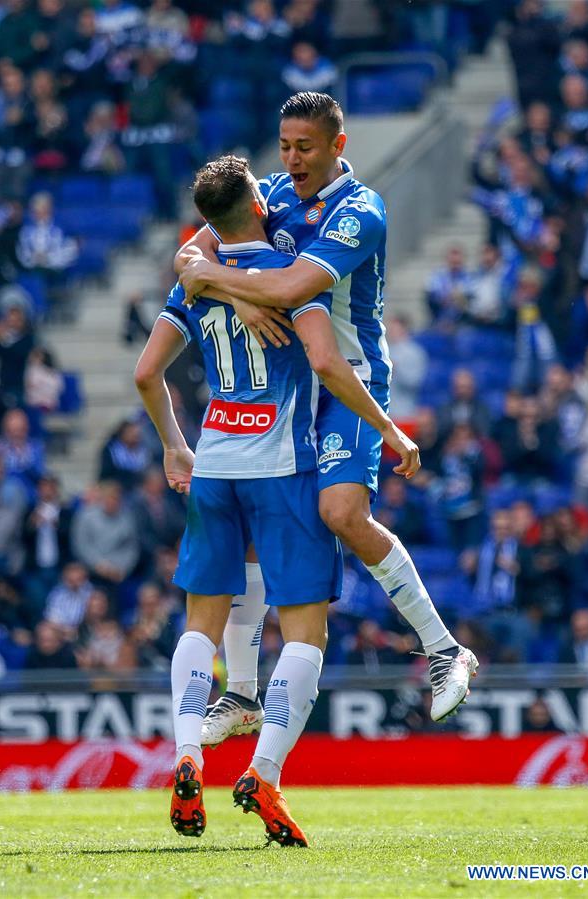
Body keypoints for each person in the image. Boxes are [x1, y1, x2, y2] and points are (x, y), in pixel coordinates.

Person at [135, 154, 420, 845]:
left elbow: (145, 374)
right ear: (259, 205)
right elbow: (326, 361)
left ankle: (187, 751)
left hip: (214, 462)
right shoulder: (292, 274)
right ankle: (263, 771)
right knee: (304, 634)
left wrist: (173, 445)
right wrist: (386, 428)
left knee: (200, 624)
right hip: (283, 465)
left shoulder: (197, 278)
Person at [175, 93, 478, 744]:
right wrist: (226, 288)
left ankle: (445, 649)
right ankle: (242, 692)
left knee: (340, 513)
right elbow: (188, 256)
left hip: (347, 377)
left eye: (304, 147)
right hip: (290, 385)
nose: (291, 159)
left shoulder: (359, 211)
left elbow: (288, 288)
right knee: (251, 515)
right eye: (285, 146)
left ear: (337, 146)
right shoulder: (269, 193)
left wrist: (221, 283)